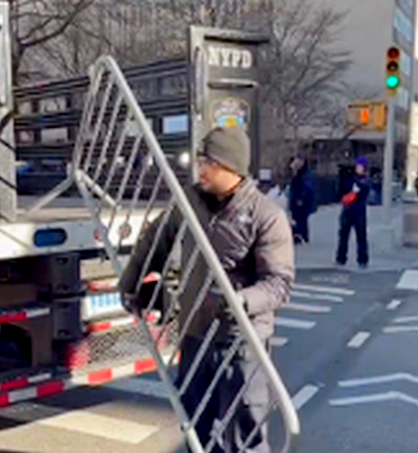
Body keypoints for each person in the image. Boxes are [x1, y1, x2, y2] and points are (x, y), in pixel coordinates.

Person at [119, 126, 294, 453]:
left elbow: (279, 284)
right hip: (196, 336)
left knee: (244, 434)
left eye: (209, 162)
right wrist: (131, 282)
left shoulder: (265, 216)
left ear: (232, 167)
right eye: (200, 159)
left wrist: (242, 302)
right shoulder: (188, 203)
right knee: (198, 427)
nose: (201, 168)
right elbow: (154, 242)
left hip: (241, 342)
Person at [335, 157, 370, 268]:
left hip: (359, 211)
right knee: (343, 235)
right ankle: (341, 258)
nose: (357, 169)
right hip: (348, 210)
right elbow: (342, 190)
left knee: (361, 237)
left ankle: (362, 259)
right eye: (357, 166)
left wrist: (353, 187)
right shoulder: (351, 178)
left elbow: (356, 193)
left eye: (360, 167)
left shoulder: (365, 181)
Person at [288, 156, 316, 244]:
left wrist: (301, 198)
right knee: (298, 218)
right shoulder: (299, 173)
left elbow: (306, 187)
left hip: (301, 200)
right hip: (298, 199)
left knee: (300, 218)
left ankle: (301, 235)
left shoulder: (304, 174)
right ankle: (300, 235)